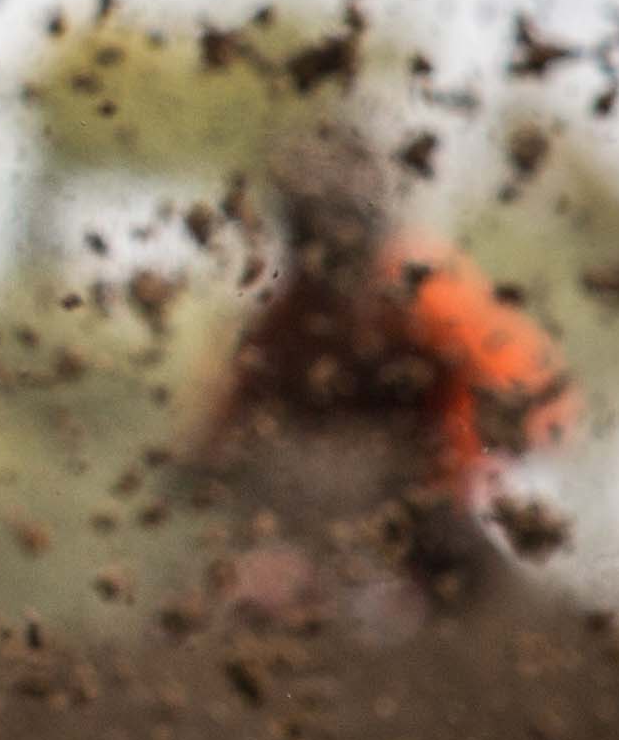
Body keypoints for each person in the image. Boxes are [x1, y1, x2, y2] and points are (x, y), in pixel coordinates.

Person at [184, 127, 581, 623]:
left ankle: (517, 619)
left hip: (468, 474)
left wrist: (466, 471)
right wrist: (204, 466)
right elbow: (234, 415)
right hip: (381, 490)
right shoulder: (296, 315)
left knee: (478, 557)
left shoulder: (427, 289)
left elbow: (526, 387)